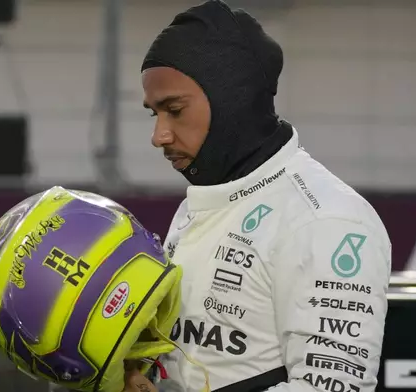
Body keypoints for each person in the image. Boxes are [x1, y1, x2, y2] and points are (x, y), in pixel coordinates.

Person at [140, 1, 392, 391]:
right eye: (153, 114)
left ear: (231, 102)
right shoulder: (201, 201)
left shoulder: (327, 221)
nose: (159, 135)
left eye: (174, 110)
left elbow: (328, 387)